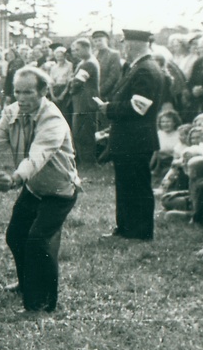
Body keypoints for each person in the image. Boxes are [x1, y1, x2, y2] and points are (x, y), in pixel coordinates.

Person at [0, 67, 81, 313]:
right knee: (16, 235)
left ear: (44, 91)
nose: (21, 98)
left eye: (28, 92)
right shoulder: (11, 112)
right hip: (34, 188)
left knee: (38, 241)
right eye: (17, 92)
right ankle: (26, 284)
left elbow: (38, 155)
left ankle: (41, 303)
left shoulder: (53, 119)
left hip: (59, 192)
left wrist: (15, 178)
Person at [97, 29, 164, 241]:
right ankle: (126, 228)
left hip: (135, 139)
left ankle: (140, 231)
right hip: (131, 139)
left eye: (124, 44)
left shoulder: (144, 69)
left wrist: (109, 108)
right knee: (127, 186)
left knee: (136, 187)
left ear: (133, 45)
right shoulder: (140, 67)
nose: (123, 48)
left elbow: (138, 107)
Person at [67, 38, 100, 169]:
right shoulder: (85, 62)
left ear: (87, 48)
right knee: (81, 132)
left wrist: (70, 87)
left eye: (77, 49)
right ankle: (85, 161)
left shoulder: (88, 64)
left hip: (85, 104)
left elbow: (77, 83)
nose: (75, 52)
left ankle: (88, 162)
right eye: (74, 50)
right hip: (82, 103)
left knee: (83, 133)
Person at [91, 31, 122, 104]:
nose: (98, 43)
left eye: (100, 40)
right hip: (94, 94)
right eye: (95, 41)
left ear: (106, 40)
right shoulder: (94, 55)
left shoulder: (114, 54)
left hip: (108, 94)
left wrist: (100, 91)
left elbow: (114, 76)